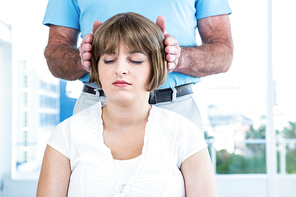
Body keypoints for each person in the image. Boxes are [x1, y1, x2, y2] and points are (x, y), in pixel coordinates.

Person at [36, 12, 217, 197]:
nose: (120, 70)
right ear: (96, 66)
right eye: (108, 60)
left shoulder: (185, 135)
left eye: (136, 60)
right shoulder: (66, 135)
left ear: (156, 66)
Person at [42, 0, 233, 131]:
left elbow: (224, 54)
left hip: (175, 110)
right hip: (96, 110)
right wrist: (82, 59)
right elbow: (54, 56)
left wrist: (179, 57)